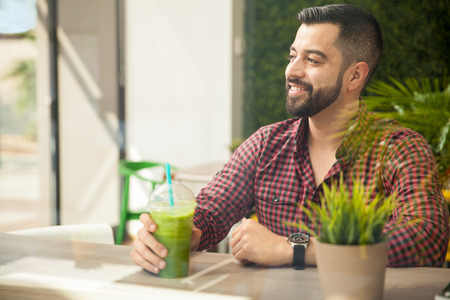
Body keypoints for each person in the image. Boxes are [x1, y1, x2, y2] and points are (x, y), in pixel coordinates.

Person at [131, 4, 450, 273]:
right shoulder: (266, 144)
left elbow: (425, 237)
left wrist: (295, 249)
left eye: (312, 60)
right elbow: (212, 209)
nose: (292, 71)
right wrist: (180, 233)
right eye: (293, 56)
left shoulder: (400, 148)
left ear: (355, 75)